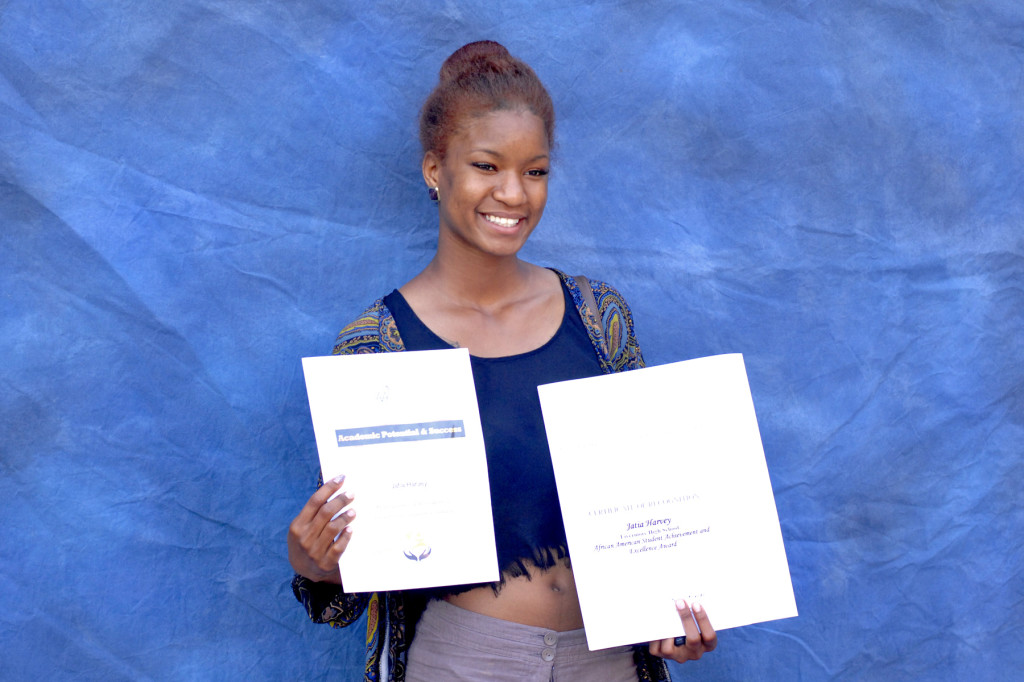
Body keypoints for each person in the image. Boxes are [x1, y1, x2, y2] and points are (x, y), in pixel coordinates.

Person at [287, 40, 717, 682]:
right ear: (436, 169)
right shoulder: (376, 345)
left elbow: (650, 499)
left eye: (535, 171)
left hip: (606, 663)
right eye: (487, 166)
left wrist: (674, 609)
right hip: (464, 661)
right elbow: (366, 569)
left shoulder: (599, 317)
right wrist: (316, 561)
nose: (513, 194)